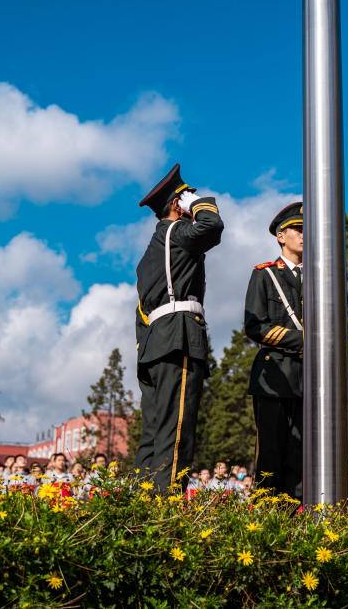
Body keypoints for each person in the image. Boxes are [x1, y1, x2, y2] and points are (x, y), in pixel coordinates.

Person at [134, 164, 224, 490]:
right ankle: (167, 511)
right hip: (178, 337)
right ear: (177, 205)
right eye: (185, 199)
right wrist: (199, 201)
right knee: (177, 429)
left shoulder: (149, 256)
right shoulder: (176, 235)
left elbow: (140, 313)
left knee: (154, 431)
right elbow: (212, 225)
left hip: (154, 346)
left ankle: (141, 503)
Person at [245, 201, 304, 499]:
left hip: (309, 381)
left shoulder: (321, 277)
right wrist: (302, 342)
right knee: (271, 456)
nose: (304, 235)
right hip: (275, 377)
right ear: (281, 236)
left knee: (302, 458)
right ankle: (268, 525)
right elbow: (255, 326)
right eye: (298, 229)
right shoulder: (265, 274)